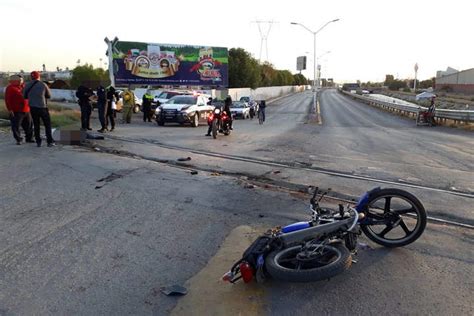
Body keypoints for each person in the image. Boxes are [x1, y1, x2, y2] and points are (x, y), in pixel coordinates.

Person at [23, 71, 55, 147]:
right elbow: (49, 96)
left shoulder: (27, 85)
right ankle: (49, 142)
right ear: (39, 76)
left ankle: (38, 142)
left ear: (31, 77)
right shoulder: (43, 84)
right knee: (47, 125)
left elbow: (24, 96)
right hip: (42, 107)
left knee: (36, 125)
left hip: (33, 108)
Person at [4, 75, 33, 145]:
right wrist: (10, 109)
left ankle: (29, 138)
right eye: (19, 80)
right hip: (16, 111)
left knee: (29, 125)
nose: (21, 81)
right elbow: (7, 100)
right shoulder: (10, 88)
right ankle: (19, 139)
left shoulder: (23, 87)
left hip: (26, 110)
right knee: (16, 126)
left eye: (22, 80)